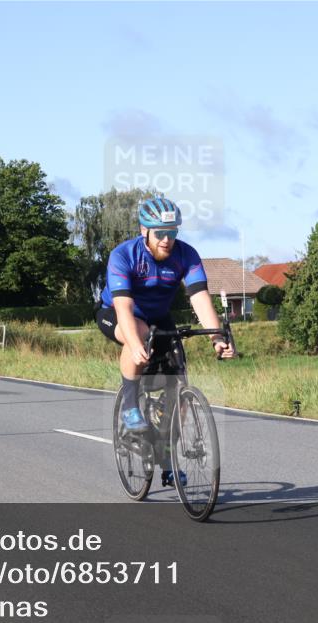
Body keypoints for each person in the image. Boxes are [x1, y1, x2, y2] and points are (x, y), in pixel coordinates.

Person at [96, 196, 234, 487]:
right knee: (138, 330)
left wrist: (217, 338)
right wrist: (134, 344)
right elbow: (122, 306)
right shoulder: (124, 255)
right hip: (118, 313)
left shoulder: (187, 255)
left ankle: (167, 456)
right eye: (161, 233)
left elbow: (200, 299)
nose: (167, 240)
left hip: (160, 318)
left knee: (178, 385)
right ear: (144, 231)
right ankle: (131, 405)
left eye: (173, 233)